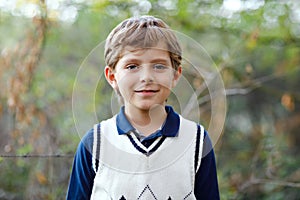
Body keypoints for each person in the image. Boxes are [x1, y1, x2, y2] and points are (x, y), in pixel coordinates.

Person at [67, 15, 220, 199]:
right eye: (132, 66)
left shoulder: (197, 141)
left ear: (176, 75)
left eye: (159, 66)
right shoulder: (95, 143)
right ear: (112, 77)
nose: (146, 77)